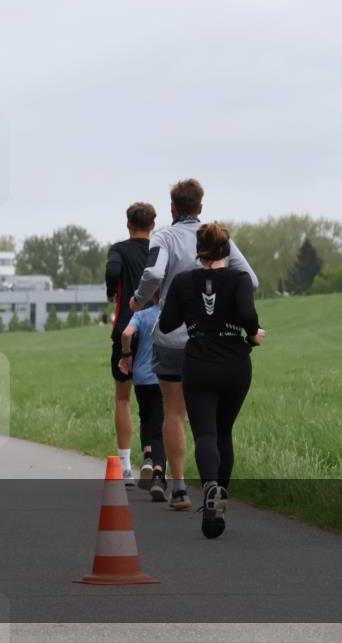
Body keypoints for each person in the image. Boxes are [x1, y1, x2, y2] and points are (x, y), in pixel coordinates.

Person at [130, 178, 258, 510]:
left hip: (174, 340)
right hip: (218, 342)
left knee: (174, 412)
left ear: (172, 208)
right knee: (217, 427)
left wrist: (139, 301)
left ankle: (180, 488)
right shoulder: (217, 238)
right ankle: (216, 490)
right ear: (201, 208)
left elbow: (154, 274)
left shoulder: (164, 237)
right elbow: (252, 279)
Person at [158, 222, 264, 538]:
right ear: (226, 250)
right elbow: (247, 315)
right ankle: (220, 498)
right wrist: (254, 334)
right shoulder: (240, 278)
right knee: (224, 432)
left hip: (198, 363)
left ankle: (209, 488)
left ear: (198, 251)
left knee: (205, 432)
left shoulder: (183, 281)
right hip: (234, 363)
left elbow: (167, 324)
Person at [104, 202, 156, 486]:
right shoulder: (159, 249)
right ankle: (156, 462)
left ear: (128, 224)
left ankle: (125, 468)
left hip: (126, 326)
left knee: (123, 398)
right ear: (153, 225)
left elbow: (113, 273)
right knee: (157, 399)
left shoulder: (119, 250)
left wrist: (113, 291)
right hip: (157, 331)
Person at [118, 294, 166, 500]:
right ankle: (158, 474)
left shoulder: (142, 314)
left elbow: (126, 334)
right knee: (161, 425)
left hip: (141, 377)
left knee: (145, 417)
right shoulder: (173, 315)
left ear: (151, 296)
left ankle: (147, 456)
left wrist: (126, 355)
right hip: (164, 377)